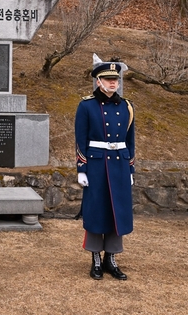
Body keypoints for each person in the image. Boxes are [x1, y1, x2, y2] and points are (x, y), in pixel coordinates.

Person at [75, 62, 135, 281]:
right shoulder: (86, 106)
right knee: (96, 211)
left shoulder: (127, 106)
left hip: (119, 164)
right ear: (98, 81)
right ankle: (96, 258)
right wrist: (82, 168)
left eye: (116, 79)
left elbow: (130, 140)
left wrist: (130, 169)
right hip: (97, 165)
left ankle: (111, 257)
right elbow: (80, 140)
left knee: (116, 211)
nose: (113, 82)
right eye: (108, 79)